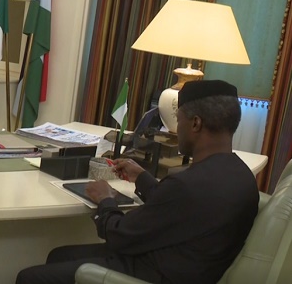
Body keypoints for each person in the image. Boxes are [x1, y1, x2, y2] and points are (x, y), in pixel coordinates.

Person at [16, 79, 259, 284]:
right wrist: (141, 178)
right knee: (59, 255)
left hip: (150, 273)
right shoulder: (242, 177)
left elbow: (120, 235)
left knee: (29, 277)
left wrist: (105, 200)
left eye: (179, 118)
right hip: (188, 268)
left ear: (195, 123)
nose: (177, 127)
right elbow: (179, 210)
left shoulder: (188, 185)